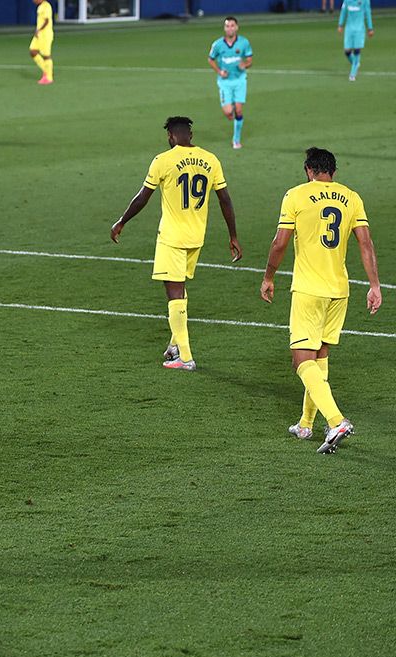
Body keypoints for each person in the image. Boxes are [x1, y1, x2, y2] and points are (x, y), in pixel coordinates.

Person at [260, 148, 381, 454]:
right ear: (333, 173)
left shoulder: (296, 196)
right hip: (340, 289)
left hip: (309, 290)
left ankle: (336, 420)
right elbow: (365, 243)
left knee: (301, 359)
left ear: (308, 170)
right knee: (320, 355)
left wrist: (269, 276)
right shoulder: (351, 197)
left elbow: (280, 242)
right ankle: (305, 423)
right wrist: (375, 285)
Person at [110, 116, 241, 371]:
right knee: (179, 289)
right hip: (196, 237)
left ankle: (186, 357)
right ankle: (174, 344)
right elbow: (225, 199)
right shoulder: (210, 159)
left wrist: (121, 221)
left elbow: (142, 198)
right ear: (190, 135)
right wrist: (233, 235)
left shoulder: (164, 160)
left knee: (173, 294)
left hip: (172, 237)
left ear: (170, 136)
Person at [208, 16, 252, 149]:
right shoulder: (218, 44)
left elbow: (249, 59)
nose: (230, 28)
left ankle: (236, 139)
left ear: (237, 27)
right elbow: (210, 59)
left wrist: (245, 65)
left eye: (232, 25)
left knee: (238, 110)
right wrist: (219, 72)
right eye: (227, 26)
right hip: (225, 82)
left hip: (239, 80)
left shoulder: (244, 42)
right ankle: (230, 111)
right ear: (224, 28)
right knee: (228, 112)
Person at [338, 0, 373, 81]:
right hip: (349, 29)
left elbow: (368, 14)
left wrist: (370, 28)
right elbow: (343, 12)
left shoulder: (365, 1)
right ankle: (355, 63)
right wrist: (340, 25)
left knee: (357, 50)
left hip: (359, 29)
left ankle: (352, 74)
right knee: (347, 51)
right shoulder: (347, 1)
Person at [29, 0, 54, 85]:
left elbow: (47, 21)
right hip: (39, 34)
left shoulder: (46, 6)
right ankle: (45, 70)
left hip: (46, 34)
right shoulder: (40, 6)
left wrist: (39, 30)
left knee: (46, 55)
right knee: (32, 51)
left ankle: (49, 77)